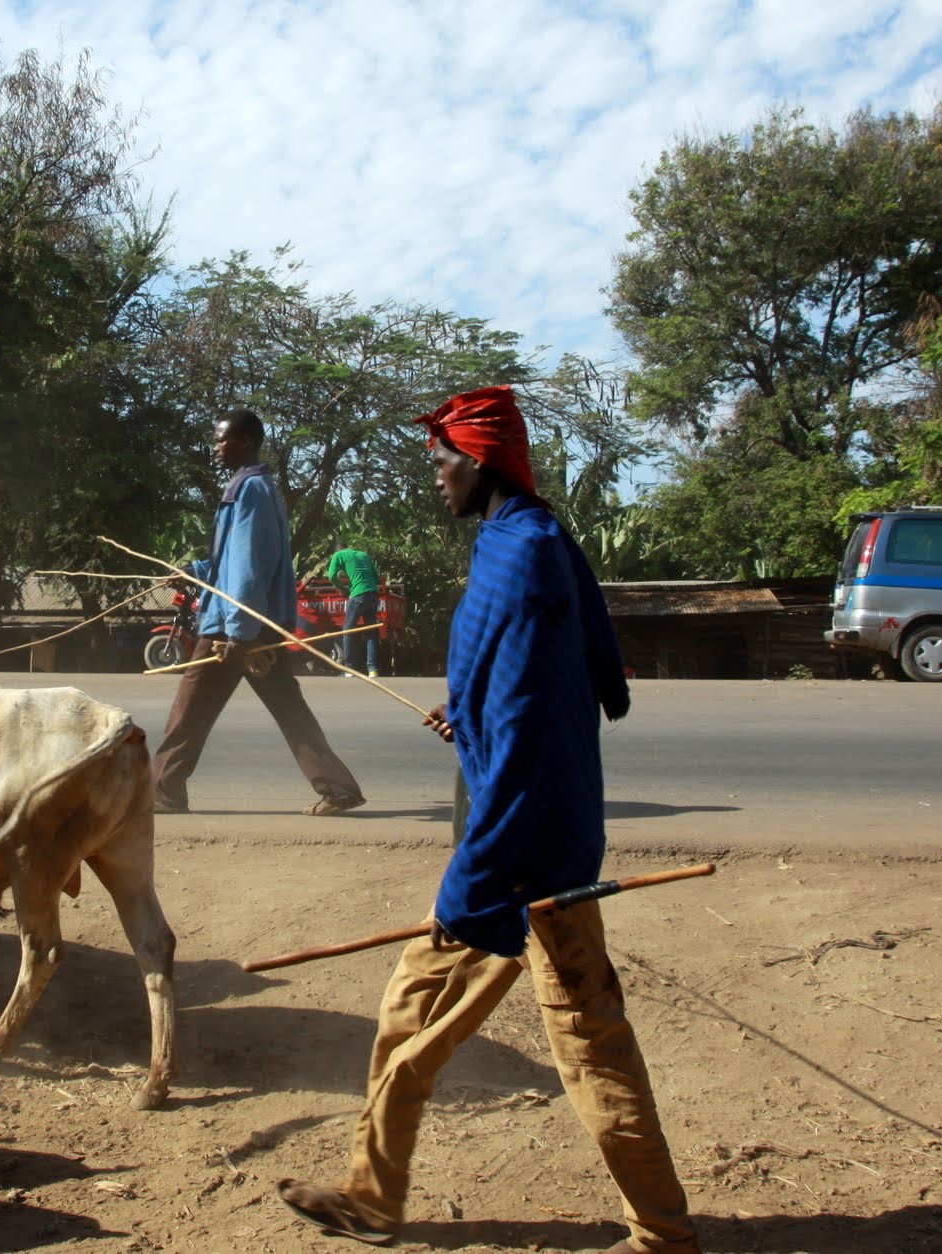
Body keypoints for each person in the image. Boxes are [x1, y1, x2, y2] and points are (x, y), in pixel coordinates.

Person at [278, 386, 697, 1253]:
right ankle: (663, 1234)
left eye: (440, 461)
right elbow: (535, 686)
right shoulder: (531, 541)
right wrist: (464, 714)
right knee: (586, 1039)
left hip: (516, 844)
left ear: (479, 460)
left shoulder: (521, 556)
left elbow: (531, 721)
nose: (434, 477)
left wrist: (485, 869)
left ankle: (372, 1197)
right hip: (553, 836)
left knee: (416, 1012)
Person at [150, 409, 368, 817]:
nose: (215, 448)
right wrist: (193, 574)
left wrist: (238, 632)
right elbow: (230, 563)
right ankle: (338, 789)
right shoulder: (254, 488)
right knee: (288, 707)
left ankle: (163, 792)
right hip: (248, 625)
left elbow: (249, 568)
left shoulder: (249, 490)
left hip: (232, 628)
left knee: (189, 712)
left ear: (246, 441)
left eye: (222, 440)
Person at [325, 542, 383, 676]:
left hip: (357, 596)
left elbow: (331, 575)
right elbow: (375, 576)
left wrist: (344, 589)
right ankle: (372, 669)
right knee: (371, 632)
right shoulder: (364, 555)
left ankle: (349, 669)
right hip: (373, 595)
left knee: (348, 631)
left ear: (337, 550)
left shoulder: (338, 554)